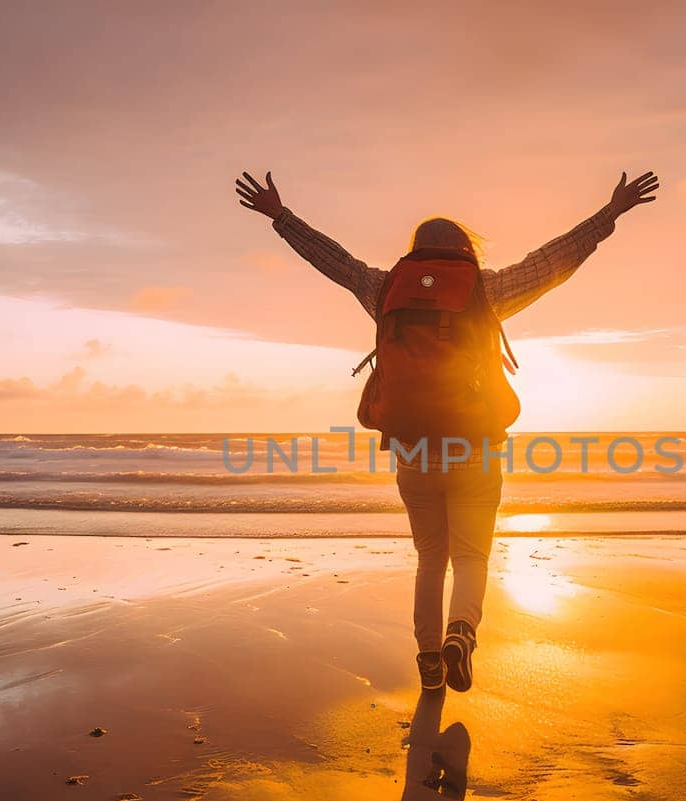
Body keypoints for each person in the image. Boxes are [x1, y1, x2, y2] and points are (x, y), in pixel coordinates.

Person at [236, 169, 657, 692]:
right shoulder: (485, 288)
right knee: (472, 555)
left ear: (416, 252)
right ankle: (462, 633)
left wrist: (280, 216)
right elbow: (552, 262)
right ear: (463, 251)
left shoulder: (384, 287)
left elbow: (335, 261)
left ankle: (430, 658)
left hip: (412, 452)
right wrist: (610, 213)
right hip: (474, 449)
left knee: (430, 557)